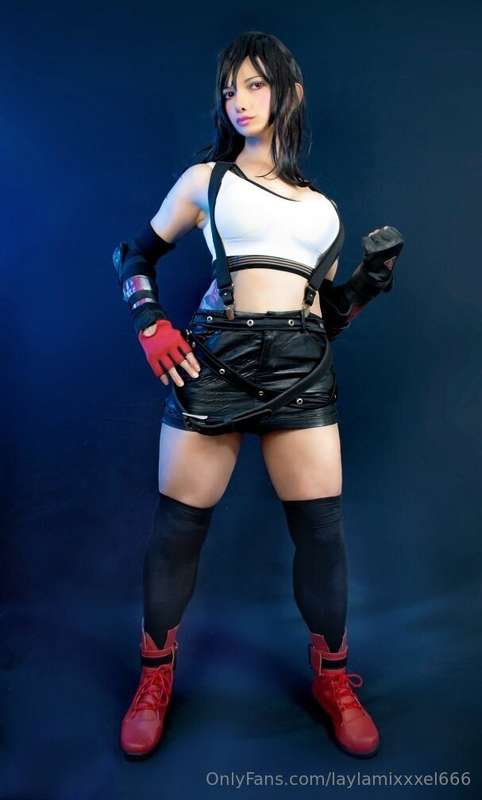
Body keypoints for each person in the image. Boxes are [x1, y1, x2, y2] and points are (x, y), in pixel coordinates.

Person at [113, 31, 404, 761]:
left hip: (301, 371)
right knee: (179, 529)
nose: (238, 102)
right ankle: (153, 679)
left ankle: (334, 682)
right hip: (213, 364)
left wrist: (365, 285)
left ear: (289, 93)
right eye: (229, 89)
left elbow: (322, 317)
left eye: (255, 85)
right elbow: (133, 253)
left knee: (322, 533)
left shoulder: (324, 211)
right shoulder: (205, 181)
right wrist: (149, 322)